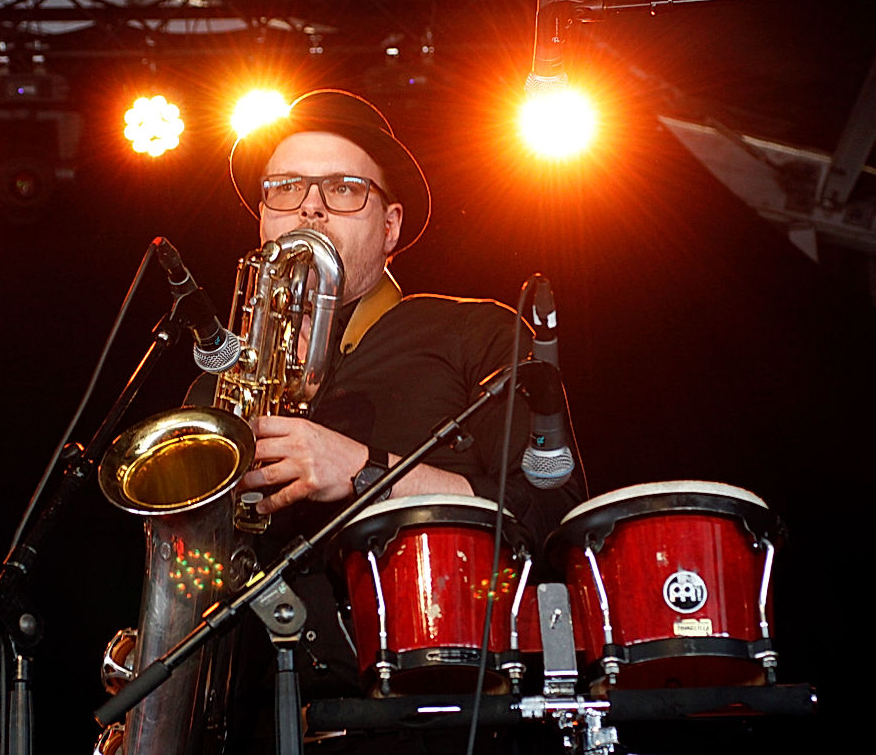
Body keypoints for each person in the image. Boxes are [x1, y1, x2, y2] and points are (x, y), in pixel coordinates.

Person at [193, 88, 586, 753]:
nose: (310, 205)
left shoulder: (476, 332)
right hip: (250, 720)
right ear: (263, 220)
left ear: (392, 225)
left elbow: (551, 513)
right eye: (284, 188)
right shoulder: (218, 380)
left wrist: (367, 473)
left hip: (430, 718)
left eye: (344, 188)